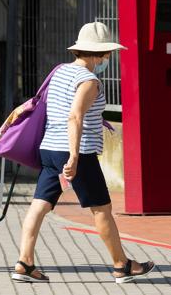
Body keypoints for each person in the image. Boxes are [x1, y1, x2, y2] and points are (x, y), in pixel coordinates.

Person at [12, 22, 155, 284]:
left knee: (39, 206)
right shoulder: (88, 81)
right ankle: (121, 265)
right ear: (97, 54)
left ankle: (24, 262)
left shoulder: (59, 72)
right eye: (107, 54)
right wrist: (75, 158)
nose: (108, 59)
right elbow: (74, 117)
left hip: (50, 148)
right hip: (77, 152)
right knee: (102, 209)